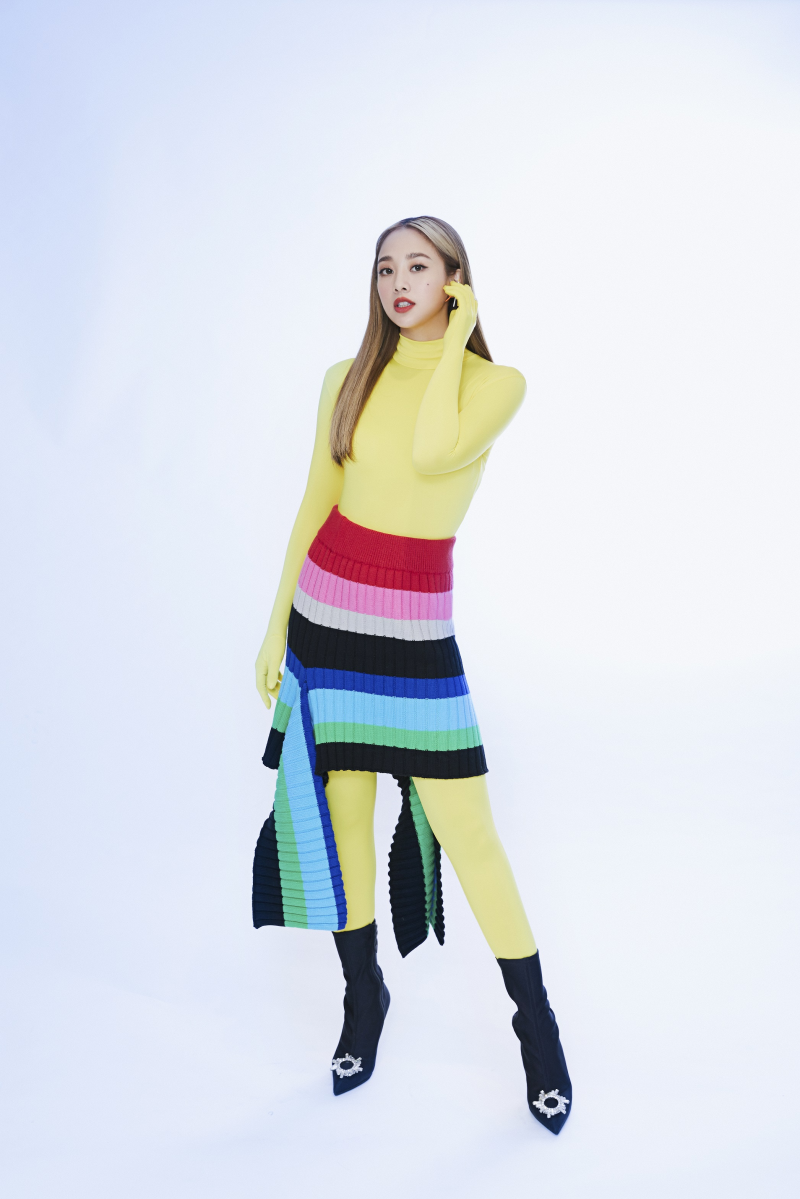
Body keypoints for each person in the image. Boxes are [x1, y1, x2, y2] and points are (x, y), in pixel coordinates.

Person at [253, 216, 572, 1133]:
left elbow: (435, 453)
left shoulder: (494, 384)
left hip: (416, 628)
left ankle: (538, 1030)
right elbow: (315, 501)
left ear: (455, 278)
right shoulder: (345, 378)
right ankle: (363, 998)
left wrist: (459, 332)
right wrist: (276, 621)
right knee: (345, 816)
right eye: (385, 267)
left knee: (469, 829)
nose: (399, 282)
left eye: (419, 267)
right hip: (329, 618)